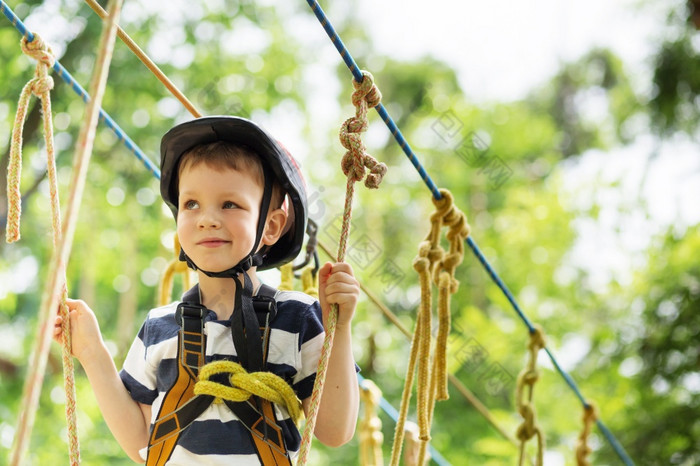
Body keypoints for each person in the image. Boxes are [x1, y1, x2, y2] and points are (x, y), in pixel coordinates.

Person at [54, 116, 360, 464]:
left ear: (270, 226)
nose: (206, 219)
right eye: (191, 204)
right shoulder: (160, 328)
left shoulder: (297, 319)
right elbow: (143, 443)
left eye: (230, 204)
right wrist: (93, 354)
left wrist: (341, 327)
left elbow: (335, 432)